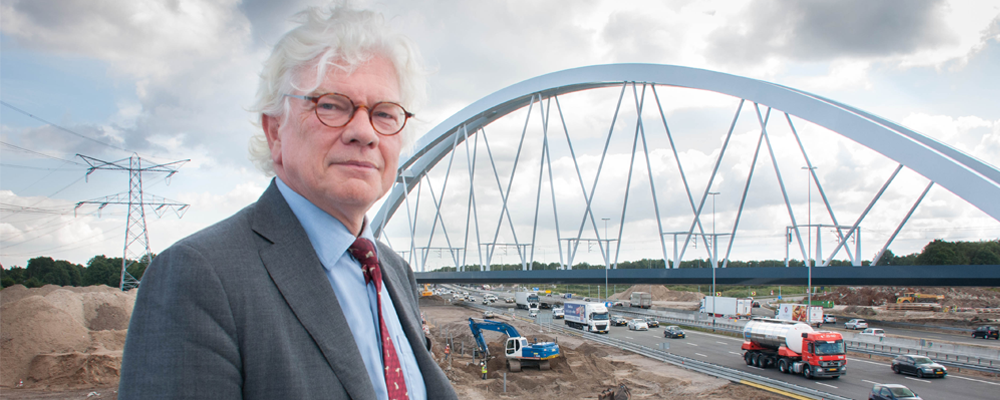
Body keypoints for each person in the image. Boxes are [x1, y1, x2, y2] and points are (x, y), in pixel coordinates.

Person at [118, 5, 457, 400]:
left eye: (384, 113)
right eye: (331, 105)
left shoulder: (394, 271)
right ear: (275, 130)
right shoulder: (200, 277)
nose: (363, 132)